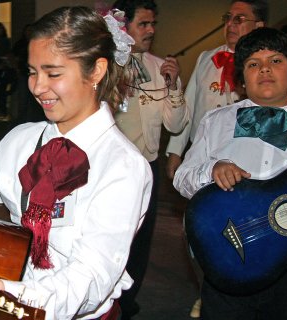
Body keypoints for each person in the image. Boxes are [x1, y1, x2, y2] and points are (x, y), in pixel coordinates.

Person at [0, 6, 152, 320]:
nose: (37, 87)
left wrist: (15, 296)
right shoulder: (19, 140)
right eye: (33, 71)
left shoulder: (123, 166)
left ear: (96, 71)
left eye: (53, 73)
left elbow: (90, 277)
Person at [173, 27, 287, 319]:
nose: (265, 69)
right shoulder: (217, 121)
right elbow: (182, 177)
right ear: (241, 78)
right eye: (253, 64)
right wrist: (211, 171)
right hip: (229, 258)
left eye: (276, 61)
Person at [111, 1, 189, 318]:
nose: (151, 30)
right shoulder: (108, 66)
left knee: (141, 240)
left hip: (148, 167)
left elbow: (176, 124)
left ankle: (127, 303)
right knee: (114, 236)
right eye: (143, 24)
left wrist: (174, 86)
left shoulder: (160, 67)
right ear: (123, 26)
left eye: (153, 23)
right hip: (113, 169)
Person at [165, 0, 268, 180]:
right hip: (201, 152)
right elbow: (188, 105)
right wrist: (175, 151)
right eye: (228, 18)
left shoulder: (264, 66)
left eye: (239, 19)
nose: (230, 24)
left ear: (258, 25)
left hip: (242, 156)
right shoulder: (206, 58)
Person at [12, 23, 46, 123]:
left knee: (33, 101)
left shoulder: (37, 43)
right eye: (27, 31)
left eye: (31, 31)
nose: (29, 33)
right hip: (23, 73)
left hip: (34, 74)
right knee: (23, 99)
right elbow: (14, 57)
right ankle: (21, 120)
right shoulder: (20, 44)